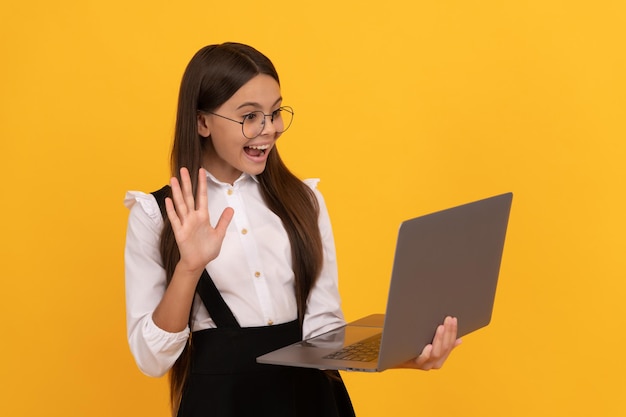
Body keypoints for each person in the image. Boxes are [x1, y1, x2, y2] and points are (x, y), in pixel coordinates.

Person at [124, 42, 460, 417]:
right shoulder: (156, 215)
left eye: (275, 112)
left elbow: (322, 333)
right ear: (202, 122)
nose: (270, 130)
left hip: (312, 401)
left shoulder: (303, 201)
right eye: (250, 116)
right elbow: (151, 359)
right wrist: (189, 268)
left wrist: (407, 356)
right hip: (221, 404)